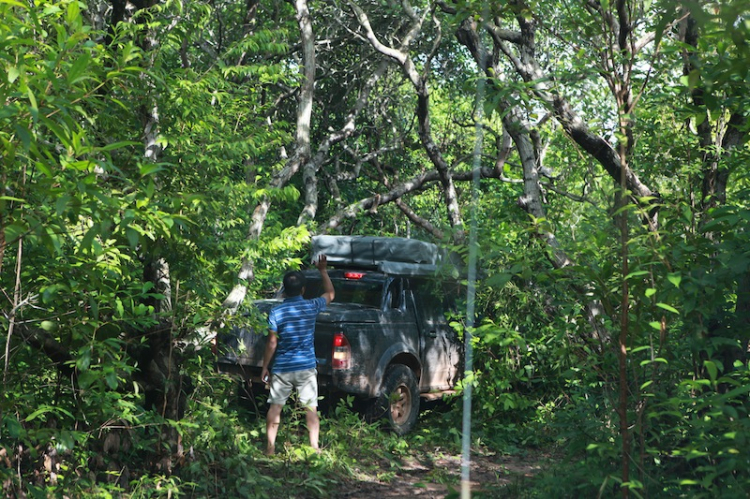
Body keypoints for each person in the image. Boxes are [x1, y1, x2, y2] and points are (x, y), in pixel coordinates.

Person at [261, 255, 335, 455]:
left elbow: (272, 342)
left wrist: (265, 366)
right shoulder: (311, 306)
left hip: (282, 368)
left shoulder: (276, 313)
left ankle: (270, 449)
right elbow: (330, 293)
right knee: (310, 408)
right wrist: (323, 270)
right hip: (305, 367)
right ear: (303, 290)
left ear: (284, 290)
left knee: (275, 407)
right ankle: (314, 448)